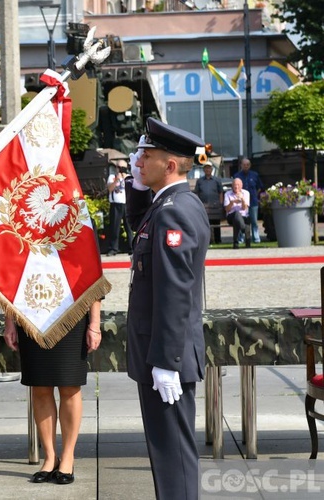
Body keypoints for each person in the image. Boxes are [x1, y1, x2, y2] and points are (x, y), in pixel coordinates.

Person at [125, 117, 209, 500]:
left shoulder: (174, 211)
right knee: (166, 453)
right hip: (160, 350)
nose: (138, 161)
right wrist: (136, 187)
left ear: (170, 165)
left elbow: (175, 291)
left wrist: (166, 361)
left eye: (146, 155)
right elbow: (139, 232)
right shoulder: (169, 204)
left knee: (173, 454)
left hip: (166, 354)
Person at [2, 301, 102, 485]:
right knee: (39, 386)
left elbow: (94, 281)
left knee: (70, 386)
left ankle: (68, 457)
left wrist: (95, 324)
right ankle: (50, 457)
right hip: (31, 315)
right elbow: (11, 279)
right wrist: (9, 322)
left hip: (72, 314)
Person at [105, 162, 133, 256]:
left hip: (126, 204)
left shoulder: (128, 176)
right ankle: (113, 248)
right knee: (114, 227)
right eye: (119, 167)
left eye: (123, 167)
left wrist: (125, 178)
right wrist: (117, 179)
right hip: (115, 204)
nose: (120, 169)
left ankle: (132, 247)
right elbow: (110, 189)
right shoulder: (112, 177)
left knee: (129, 227)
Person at [233, 157, 264, 243]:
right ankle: (241, 238)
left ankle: (256, 238)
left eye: (247, 165)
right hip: (241, 203)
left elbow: (259, 187)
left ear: (250, 165)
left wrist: (255, 195)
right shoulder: (237, 176)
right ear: (241, 165)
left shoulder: (255, 175)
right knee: (241, 221)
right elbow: (234, 188)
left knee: (254, 221)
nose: (246, 166)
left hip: (253, 202)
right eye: (244, 165)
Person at [193, 161, 224, 244]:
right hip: (204, 207)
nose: (207, 169)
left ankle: (218, 240)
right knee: (206, 225)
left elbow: (221, 192)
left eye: (209, 168)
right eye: (206, 168)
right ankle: (208, 241)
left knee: (216, 224)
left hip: (215, 206)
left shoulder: (217, 180)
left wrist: (220, 204)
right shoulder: (200, 181)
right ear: (203, 169)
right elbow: (197, 193)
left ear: (211, 169)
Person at [224, 177, 250, 249]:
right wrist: (232, 202)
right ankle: (244, 229)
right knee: (236, 214)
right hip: (231, 216)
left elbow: (244, 208)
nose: (236, 186)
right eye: (235, 185)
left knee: (237, 219)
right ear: (232, 186)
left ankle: (235, 244)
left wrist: (242, 199)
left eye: (238, 185)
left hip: (244, 217)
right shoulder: (227, 194)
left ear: (241, 185)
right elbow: (227, 209)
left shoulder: (246, 193)